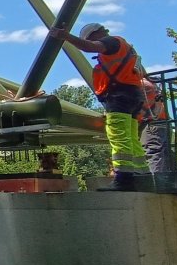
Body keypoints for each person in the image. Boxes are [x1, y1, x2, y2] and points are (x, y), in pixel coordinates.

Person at [49, 22, 149, 190]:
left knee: (119, 137)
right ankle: (143, 176)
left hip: (120, 96)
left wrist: (65, 36)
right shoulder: (124, 47)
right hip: (132, 95)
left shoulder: (111, 42)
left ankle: (123, 180)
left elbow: (89, 47)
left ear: (95, 34)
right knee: (131, 138)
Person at [138, 76, 177, 174]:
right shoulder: (151, 83)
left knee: (153, 152)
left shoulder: (140, 85)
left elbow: (139, 108)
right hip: (163, 123)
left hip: (152, 125)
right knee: (166, 154)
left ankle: (155, 183)